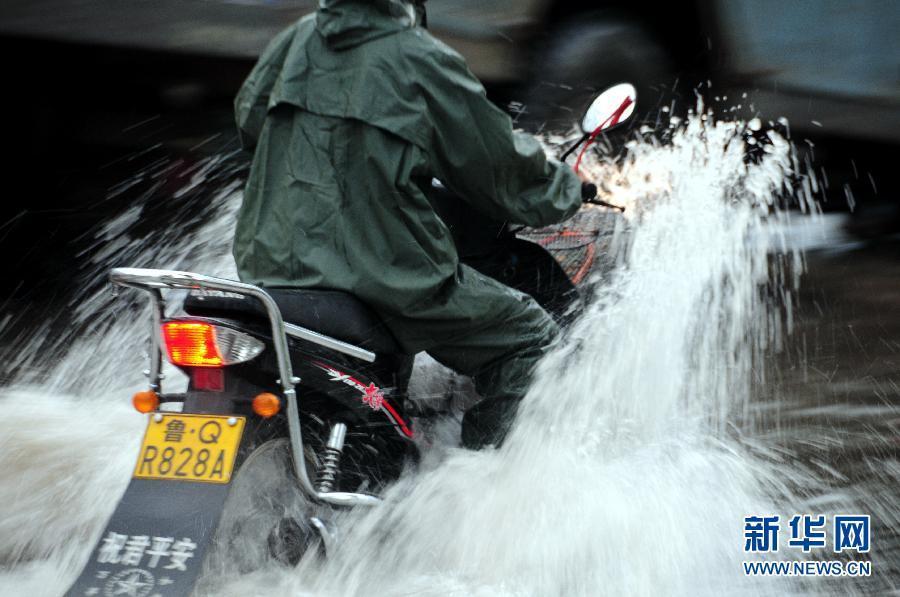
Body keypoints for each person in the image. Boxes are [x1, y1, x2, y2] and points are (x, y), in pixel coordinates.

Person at [232, 0, 584, 449]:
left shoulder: (296, 39)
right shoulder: (419, 58)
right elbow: (496, 168)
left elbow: (249, 124)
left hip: (271, 263)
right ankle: (478, 491)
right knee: (530, 339)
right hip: (383, 274)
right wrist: (565, 188)